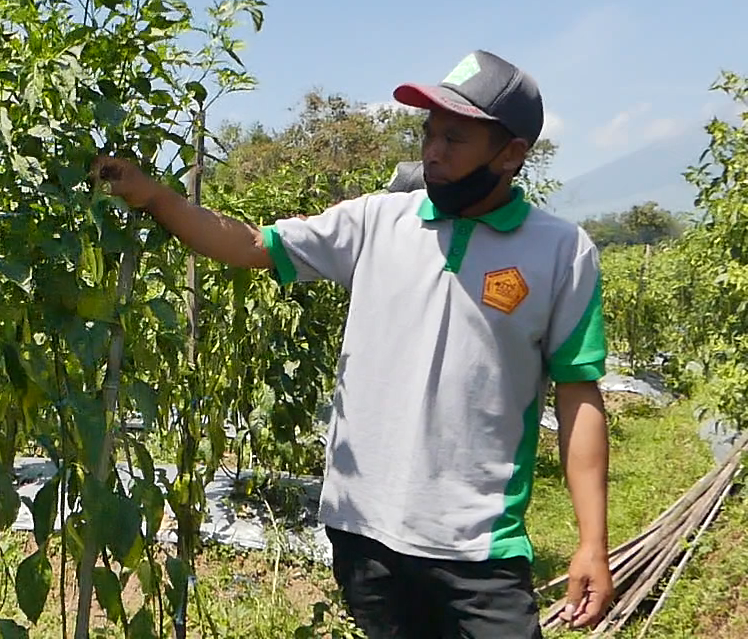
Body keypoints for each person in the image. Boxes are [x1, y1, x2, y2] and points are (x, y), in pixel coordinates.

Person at [92, 50, 614, 638]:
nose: (433, 152)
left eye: (455, 138)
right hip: (365, 532)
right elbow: (250, 246)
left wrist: (592, 541)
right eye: (429, 133)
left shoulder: (560, 252)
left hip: (479, 546)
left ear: (512, 154)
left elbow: (579, 394)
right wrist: (155, 196)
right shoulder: (375, 221)